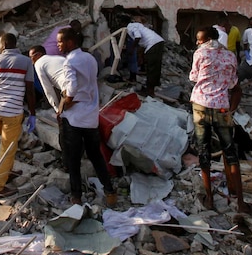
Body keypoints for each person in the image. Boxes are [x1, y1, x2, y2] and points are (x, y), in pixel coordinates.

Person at [189, 26, 248, 212]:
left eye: (200, 39)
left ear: (207, 39)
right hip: (222, 106)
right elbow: (232, 84)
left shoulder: (200, 53)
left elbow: (193, 77)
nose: (198, 42)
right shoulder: (230, 55)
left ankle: (209, 199)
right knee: (230, 152)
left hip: (201, 105)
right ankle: (240, 202)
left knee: (203, 149)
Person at [56, 27, 116, 206]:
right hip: (91, 116)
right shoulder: (90, 58)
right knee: (96, 155)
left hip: (75, 117)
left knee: (73, 159)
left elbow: (72, 88)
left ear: (70, 42)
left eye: (60, 41)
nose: (58, 45)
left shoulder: (69, 61)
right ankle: (110, 192)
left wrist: (66, 103)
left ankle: (76, 197)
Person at [0, 33, 36, 198]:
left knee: (7, 144)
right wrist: (32, 113)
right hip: (12, 112)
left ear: (5, 44)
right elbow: (30, 90)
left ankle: (6, 171)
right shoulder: (25, 61)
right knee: (8, 148)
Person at [29, 44, 69, 167]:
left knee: (64, 128)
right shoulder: (56, 58)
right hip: (82, 87)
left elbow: (48, 90)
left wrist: (57, 109)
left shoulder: (39, 64)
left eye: (31, 57)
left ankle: (67, 161)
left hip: (69, 89)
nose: (31, 61)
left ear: (38, 55)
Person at [122, 15, 164, 97]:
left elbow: (138, 37)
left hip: (153, 43)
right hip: (159, 41)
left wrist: (131, 49)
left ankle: (150, 91)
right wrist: (140, 56)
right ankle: (153, 87)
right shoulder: (137, 25)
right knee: (155, 66)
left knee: (151, 68)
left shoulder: (130, 27)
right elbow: (141, 43)